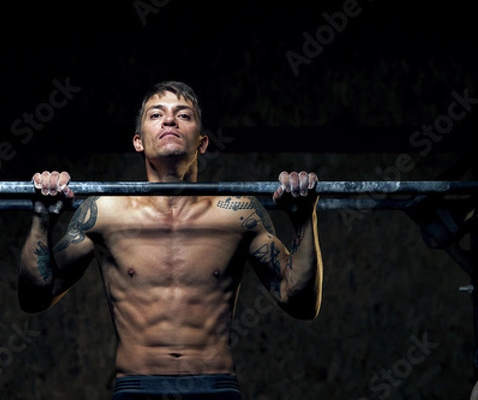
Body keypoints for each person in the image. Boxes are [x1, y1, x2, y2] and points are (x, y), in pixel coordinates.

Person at [17, 80, 323, 399]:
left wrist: (304, 220)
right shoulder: (104, 212)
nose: (169, 120)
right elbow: (35, 298)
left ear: (202, 143)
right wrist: (42, 218)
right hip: (137, 388)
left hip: (214, 387)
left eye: (184, 115)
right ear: (138, 141)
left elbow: (301, 303)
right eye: (156, 114)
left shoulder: (239, 213)